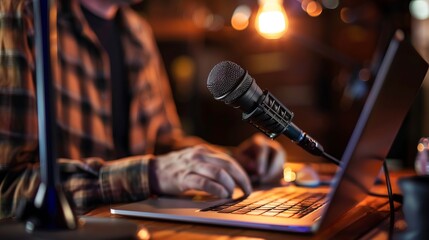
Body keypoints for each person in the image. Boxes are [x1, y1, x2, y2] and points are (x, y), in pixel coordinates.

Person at [0, 0, 286, 218]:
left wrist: (230, 161)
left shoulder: (137, 31)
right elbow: (7, 187)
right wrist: (150, 174)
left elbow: (163, 144)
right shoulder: (19, 15)